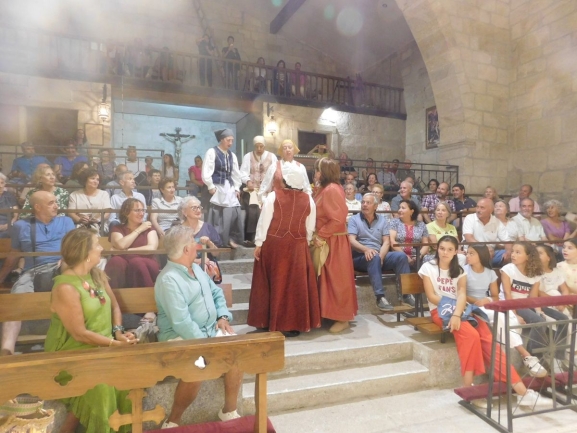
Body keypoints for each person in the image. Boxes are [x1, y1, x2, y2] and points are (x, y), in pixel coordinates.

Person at [419, 236, 541, 407]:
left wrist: (457, 313)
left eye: (449, 249)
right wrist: (455, 312)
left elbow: (462, 294)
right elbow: (432, 296)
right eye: (442, 248)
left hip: (462, 309)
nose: (445, 252)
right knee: (471, 336)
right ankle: (469, 390)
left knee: (489, 340)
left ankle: (522, 391)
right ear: (437, 249)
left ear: (455, 252)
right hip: (440, 310)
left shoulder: (459, 270)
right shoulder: (428, 267)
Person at [45, 228, 138, 433]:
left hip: (103, 348)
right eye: (97, 244)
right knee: (102, 386)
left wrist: (118, 332)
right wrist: (114, 344)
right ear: (85, 253)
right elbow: (79, 334)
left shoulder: (96, 275)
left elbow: (114, 306)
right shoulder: (65, 287)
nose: (101, 248)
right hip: (72, 354)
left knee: (129, 377)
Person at [154, 226, 242, 428]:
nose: (197, 245)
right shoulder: (168, 279)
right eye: (194, 242)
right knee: (198, 365)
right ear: (186, 249)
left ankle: (229, 411)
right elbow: (182, 322)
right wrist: (208, 345)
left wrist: (222, 316)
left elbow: (217, 293)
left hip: (209, 331)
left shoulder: (197, 270)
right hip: (180, 337)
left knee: (236, 353)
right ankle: (173, 421)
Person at [0, 191, 75, 356]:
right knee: (15, 301)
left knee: (69, 276)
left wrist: (66, 260)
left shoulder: (66, 221)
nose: (56, 206)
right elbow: (14, 254)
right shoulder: (21, 226)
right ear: (37, 207)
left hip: (61, 269)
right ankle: (6, 351)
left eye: (55, 202)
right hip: (32, 272)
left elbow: (74, 247)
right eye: (51, 203)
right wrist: (1, 278)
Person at [248, 168, 319, 337]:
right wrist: (305, 241)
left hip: (275, 245)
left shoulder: (274, 196)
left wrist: (259, 243)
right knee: (294, 285)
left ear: (285, 181)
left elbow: (264, 221)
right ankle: (291, 323)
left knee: (273, 282)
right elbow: (310, 227)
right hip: (298, 246)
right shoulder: (309, 199)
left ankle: (267, 321)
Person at [464, 244, 547, 378]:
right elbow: (461, 294)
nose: (467, 256)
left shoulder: (490, 273)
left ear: (481, 255)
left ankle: (512, 367)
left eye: (471, 253)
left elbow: (495, 296)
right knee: (505, 320)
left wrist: (487, 299)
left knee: (508, 322)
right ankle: (526, 356)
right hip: (471, 306)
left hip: (488, 305)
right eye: (467, 253)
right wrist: (478, 301)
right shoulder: (463, 271)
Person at [501, 242, 567, 367]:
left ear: (528, 256)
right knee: (539, 322)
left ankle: (558, 358)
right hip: (512, 303)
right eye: (513, 251)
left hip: (527, 303)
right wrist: (515, 315)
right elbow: (507, 294)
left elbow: (533, 297)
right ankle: (535, 357)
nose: (513, 255)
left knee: (563, 319)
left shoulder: (536, 273)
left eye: (518, 252)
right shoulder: (508, 269)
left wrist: (539, 310)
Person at [313, 158, 357, 333]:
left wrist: (321, 235)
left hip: (333, 241)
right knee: (326, 280)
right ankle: (329, 313)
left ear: (325, 172)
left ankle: (342, 318)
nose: (316, 173)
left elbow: (338, 219)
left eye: (318, 170)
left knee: (337, 280)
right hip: (327, 238)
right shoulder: (324, 188)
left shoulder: (332, 189)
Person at [349, 193, 412, 310]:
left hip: (378, 255)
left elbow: (386, 242)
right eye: (363, 202)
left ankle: (406, 295)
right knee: (374, 256)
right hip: (360, 256)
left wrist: (381, 257)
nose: (364, 205)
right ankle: (380, 297)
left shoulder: (382, 220)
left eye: (368, 203)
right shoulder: (354, 219)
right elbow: (351, 240)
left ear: (375, 206)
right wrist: (366, 249)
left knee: (401, 256)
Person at [105, 198, 160, 289]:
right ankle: (113, 294)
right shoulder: (117, 228)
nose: (141, 213)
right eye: (137, 210)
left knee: (136, 262)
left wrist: (125, 251)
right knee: (115, 261)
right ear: (126, 212)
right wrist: (139, 229)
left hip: (147, 262)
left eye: (143, 210)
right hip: (124, 262)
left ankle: (145, 295)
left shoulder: (149, 227)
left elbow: (151, 248)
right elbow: (121, 245)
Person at [202, 129, 243, 248]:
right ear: (221, 139)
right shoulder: (212, 152)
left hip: (229, 187)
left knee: (233, 213)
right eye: (228, 140)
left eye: (232, 140)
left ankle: (230, 238)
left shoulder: (232, 155)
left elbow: (236, 173)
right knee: (217, 216)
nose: (230, 143)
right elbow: (206, 171)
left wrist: (237, 188)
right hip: (217, 187)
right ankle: (217, 240)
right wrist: (210, 185)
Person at [178, 196, 223, 283]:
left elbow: (216, 253)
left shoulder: (208, 227)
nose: (198, 210)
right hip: (185, 268)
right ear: (184, 212)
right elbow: (176, 255)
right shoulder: (178, 230)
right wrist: (198, 261)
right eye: (194, 208)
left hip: (207, 269)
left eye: (199, 207)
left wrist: (209, 243)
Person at [462, 198, 511, 267]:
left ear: (491, 210)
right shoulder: (470, 218)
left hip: (492, 253)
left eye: (482, 208)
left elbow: (507, 241)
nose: (478, 210)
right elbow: (469, 238)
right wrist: (484, 248)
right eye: (477, 207)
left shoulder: (497, 222)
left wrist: (508, 252)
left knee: (512, 254)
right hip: (473, 251)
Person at [389, 200, 430, 269]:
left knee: (431, 259)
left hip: (417, 255)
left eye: (403, 208)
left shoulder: (421, 225)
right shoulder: (394, 222)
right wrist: (405, 256)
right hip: (399, 254)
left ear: (412, 211)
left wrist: (419, 256)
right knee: (402, 258)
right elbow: (392, 241)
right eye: (399, 208)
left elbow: (425, 243)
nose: (399, 210)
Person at [538, 245, 571, 319]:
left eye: (540, 253)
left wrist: (562, 302)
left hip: (557, 302)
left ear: (549, 257)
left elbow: (565, 290)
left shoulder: (557, 272)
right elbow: (537, 291)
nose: (536, 256)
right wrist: (554, 301)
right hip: (543, 302)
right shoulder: (534, 273)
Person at [240, 180, 259, 245]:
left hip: (262, 192)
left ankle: (255, 237)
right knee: (252, 210)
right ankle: (250, 237)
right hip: (248, 192)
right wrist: (248, 181)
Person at [0, 173, 18, 238]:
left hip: (8, 225)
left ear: (5, 184)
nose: (0, 186)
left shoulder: (10, 196)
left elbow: (15, 215)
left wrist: (9, 224)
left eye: (2, 183)